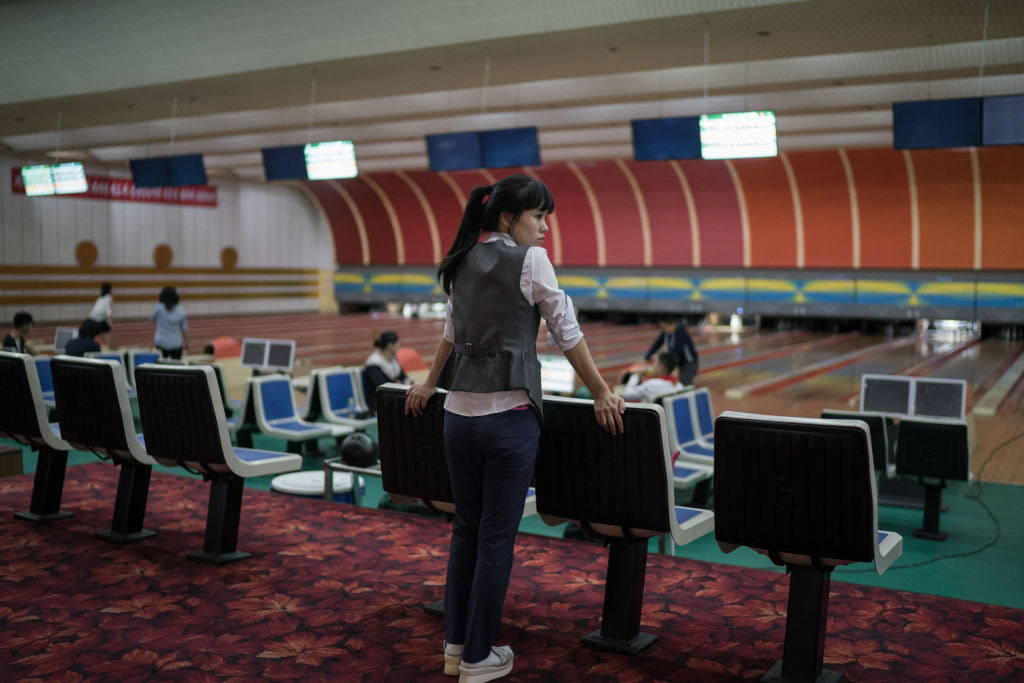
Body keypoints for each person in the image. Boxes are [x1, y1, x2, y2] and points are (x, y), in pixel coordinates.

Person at [405, 174, 625, 682]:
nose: (545, 228)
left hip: (457, 420)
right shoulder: (531, 262)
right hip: (508, 423)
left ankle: (456, 648)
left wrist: (427, 383)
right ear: (508, 218)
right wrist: (600, 390)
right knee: (496, 539)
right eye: (538, 216)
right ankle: (481, 658)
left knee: (466, 533)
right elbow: (565, 328)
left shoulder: (461, 259)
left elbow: (450, 334)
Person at [362, 330, 411, 414]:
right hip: (378, 403)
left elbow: (404, 377)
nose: (399, 345)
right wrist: (399, 384)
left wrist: (406, 382)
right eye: (397, 342)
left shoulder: (393, 359)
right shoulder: (374, 363)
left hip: (394, 399)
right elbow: (382, 386)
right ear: (390, 345)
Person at [644, 313, 699, 386]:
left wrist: (668, 366)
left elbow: (676, 353)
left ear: (673, 324)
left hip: (689, 364)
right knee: (680, 383)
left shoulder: (681, 334)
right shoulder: (667, 331)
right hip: (680, 362)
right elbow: (657, 343)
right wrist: (647, 356)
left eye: (664, 326)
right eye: (662, 326)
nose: (663, 329)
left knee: (684, 384)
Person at [151, 286, 189, 359]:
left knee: (160, 367)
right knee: (176, 367)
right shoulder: (181, 310)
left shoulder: (158, 308)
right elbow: (184, 329)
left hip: (161, 342)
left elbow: (152, 319)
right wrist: (187, 343)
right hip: (176, 343)